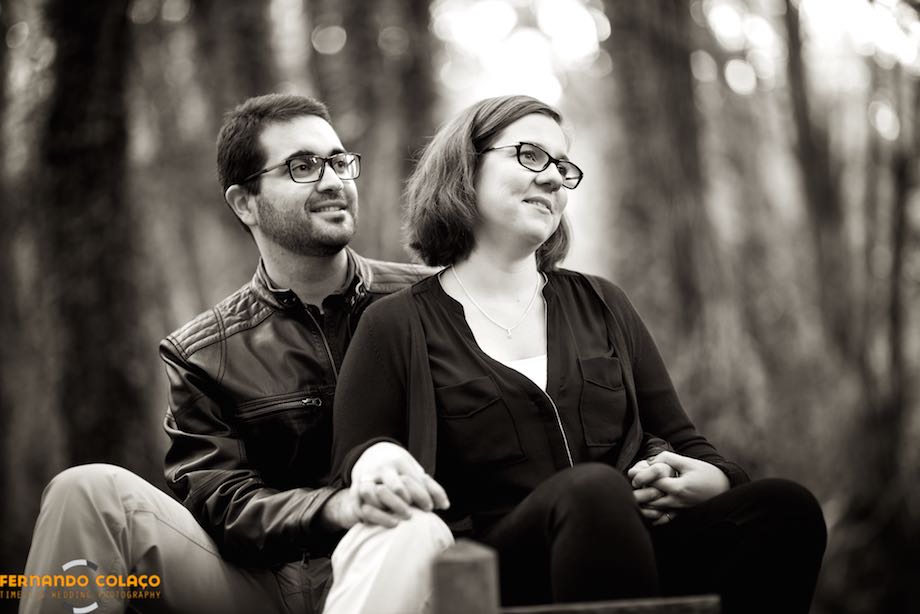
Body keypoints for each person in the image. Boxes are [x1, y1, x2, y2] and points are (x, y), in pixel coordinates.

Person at [330, 95, 827, 613]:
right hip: (496, 575)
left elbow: (685, 441)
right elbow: (355, 460)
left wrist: (716, 478)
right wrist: (377, 462)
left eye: (563, 167)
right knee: (591, 492)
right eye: (530, 155)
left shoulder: (602, 303)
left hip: (634, 553)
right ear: (465, 167)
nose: (553, 178)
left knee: (784, 509)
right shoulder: (395, 324)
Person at [19, 93, 453, 614]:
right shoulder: (203, 353)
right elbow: (221, 505)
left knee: (409, 530)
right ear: (245, 203)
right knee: (84, 489)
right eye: (303, 167)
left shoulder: (433, 299)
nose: (333, 181)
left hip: (411, 556)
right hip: (269, 585)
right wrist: (335, 507)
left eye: (339, 162)